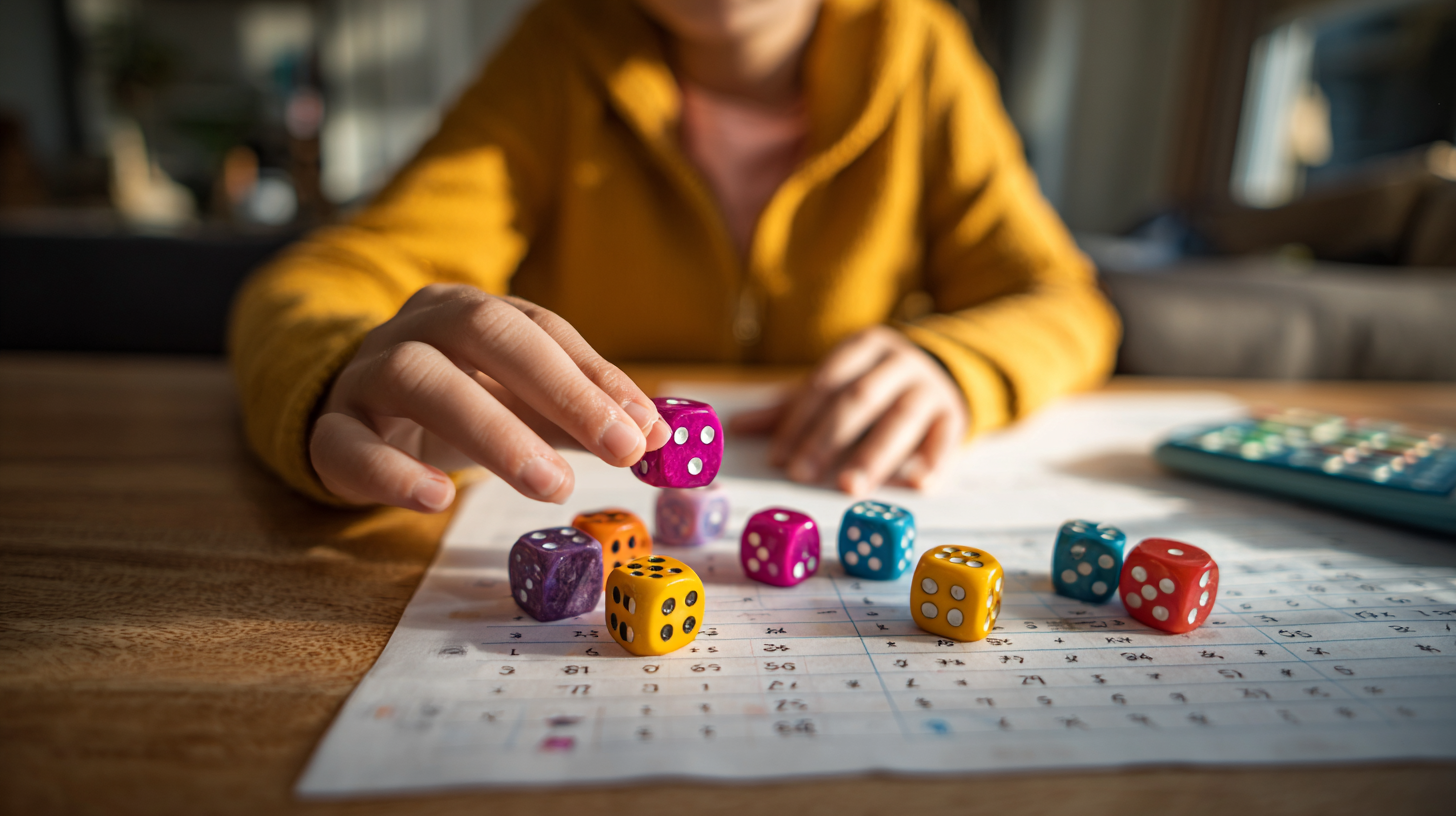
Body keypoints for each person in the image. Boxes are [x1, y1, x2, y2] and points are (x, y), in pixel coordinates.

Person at [229, 0, 1120, 513]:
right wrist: (338, 372)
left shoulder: (921, 49)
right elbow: (325, 281)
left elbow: (1065, 303)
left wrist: (953, 364)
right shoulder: (559, 52)